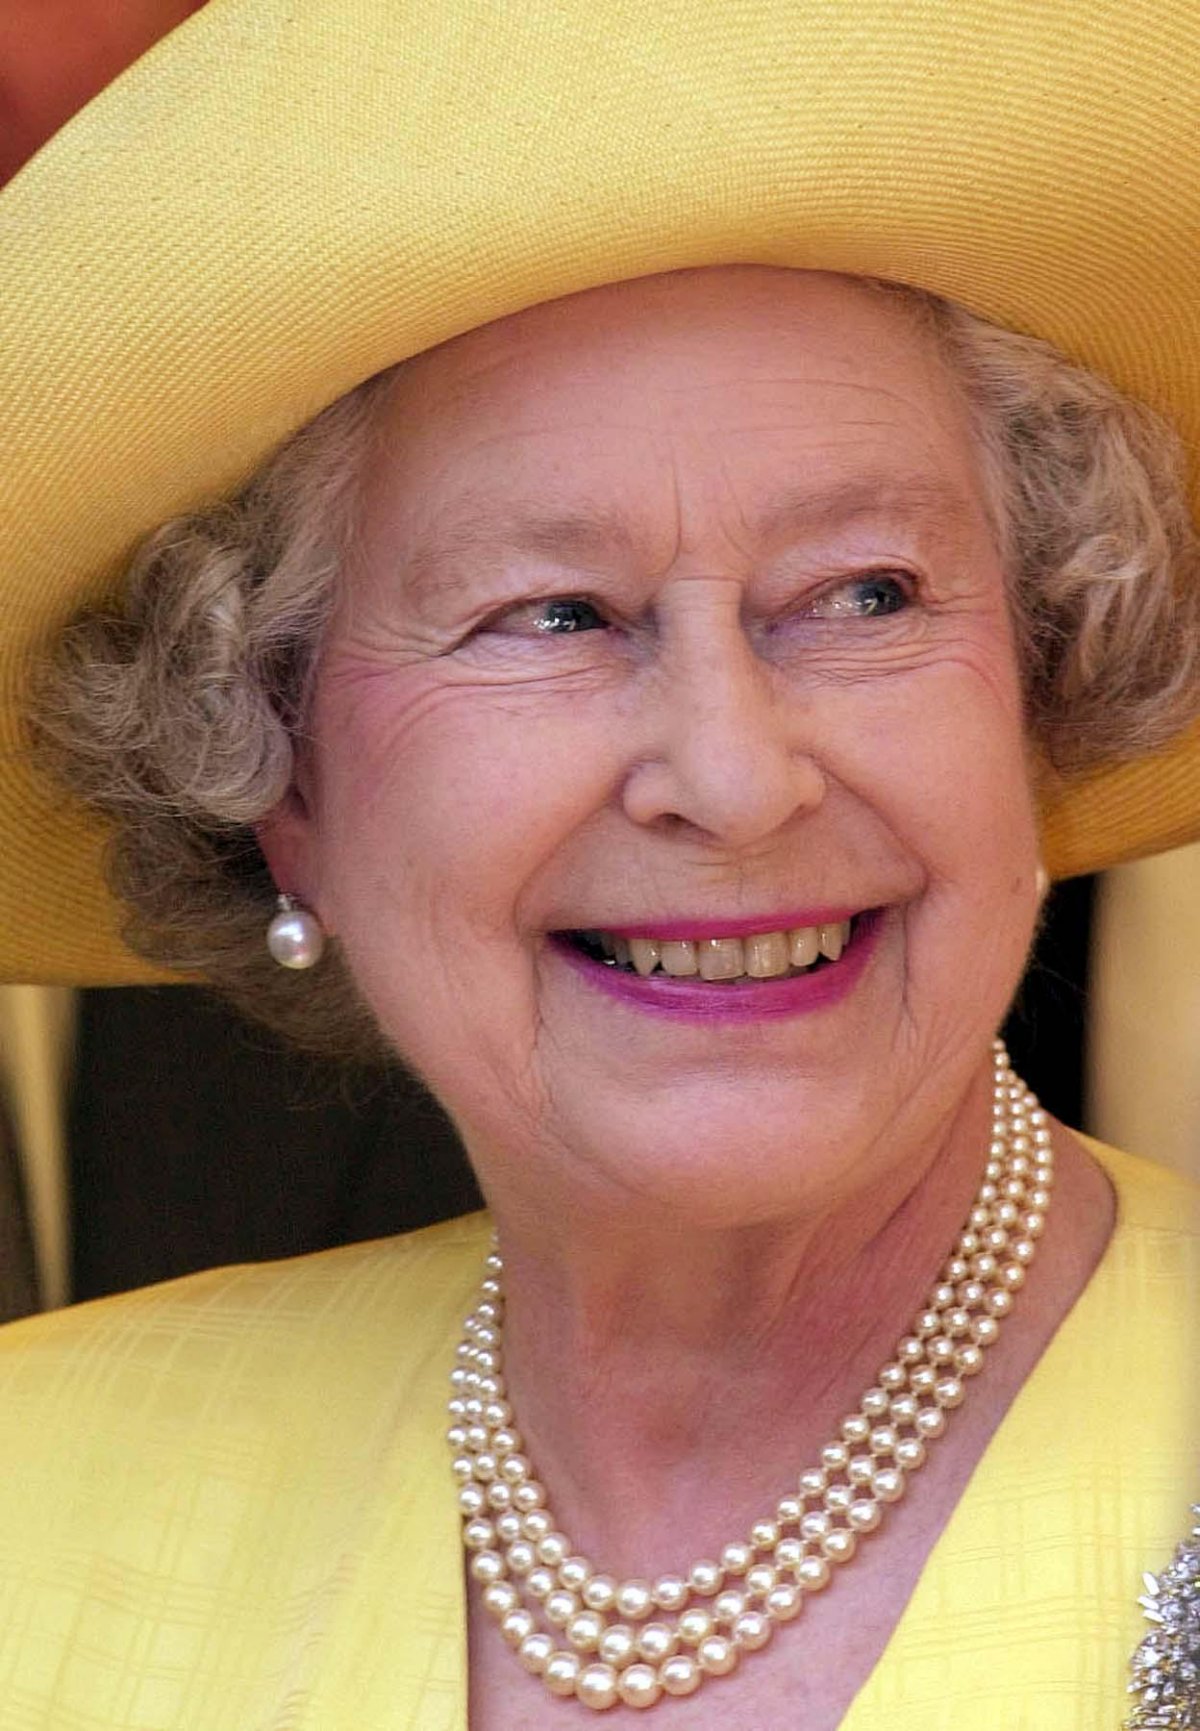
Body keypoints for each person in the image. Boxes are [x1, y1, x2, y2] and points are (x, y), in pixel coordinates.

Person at [1, 3, 1198, 1727]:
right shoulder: (37, 1501)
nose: (732, 777)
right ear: (274, 774)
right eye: (549, 614)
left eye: (864, 595)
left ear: (1041, 686)